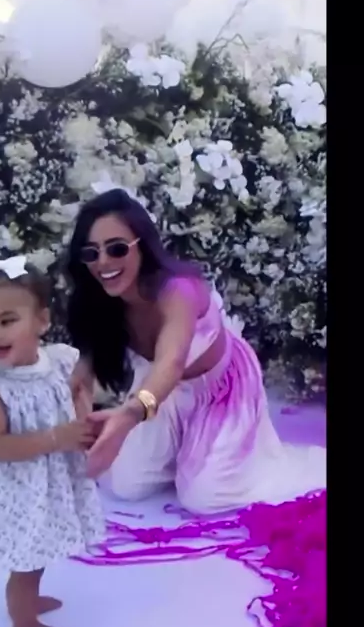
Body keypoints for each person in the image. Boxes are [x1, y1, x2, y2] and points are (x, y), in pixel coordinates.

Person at [67, 189, 326, 513]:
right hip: (161, 393)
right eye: (91, 253)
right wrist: (75, 419)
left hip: (220, 390)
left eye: (117, 248)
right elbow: (82, 377)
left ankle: (239, 459)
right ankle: (185, 450)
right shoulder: (102, 302)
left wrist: (129, 416)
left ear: (142, 245)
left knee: (204, 496)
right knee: (124, 484)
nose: (103, 262)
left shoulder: (178, 290)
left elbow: (171, 362)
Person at [0, 254, 104, 627]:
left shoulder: (56, 362)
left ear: (41, 321)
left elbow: (74, 392)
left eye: (7, 321)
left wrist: (83, 414)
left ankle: (29, 601)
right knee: (26, 560)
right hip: (14, 490)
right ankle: (23, 624)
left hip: (45, 482)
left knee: (39, 549)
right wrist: (57, 437)